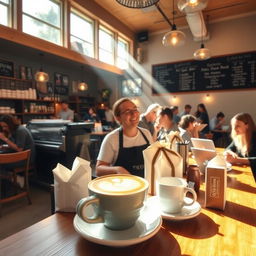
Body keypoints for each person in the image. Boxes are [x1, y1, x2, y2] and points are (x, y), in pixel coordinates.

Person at [96, 98, 153, 177]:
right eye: (127, 111)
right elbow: (99, 170)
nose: (133, 114)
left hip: (146, 183)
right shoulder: (111, 138)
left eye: (135, 109)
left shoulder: (146, 134)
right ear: (118, 118)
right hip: (123, 186)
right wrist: (117, 170)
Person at [224, 113, 256, 181]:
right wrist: (229, 153)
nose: (234, 129)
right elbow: (228, 148)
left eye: (237, 126)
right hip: (247, 174)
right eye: (233, 126)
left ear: (247, 125)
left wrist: (237, 160)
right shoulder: (239, 137)